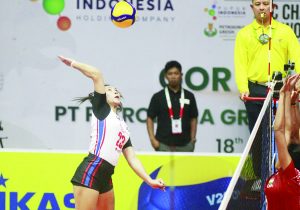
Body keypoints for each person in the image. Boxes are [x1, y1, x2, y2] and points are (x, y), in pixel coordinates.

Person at [58, 56, 165, 210]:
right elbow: (96, 74)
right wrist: (73, 64)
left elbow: (132, 159)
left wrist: (150, 180)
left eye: (116, 91)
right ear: (101, 96)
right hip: (91, 171)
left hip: (106, 177)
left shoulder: (123, 127)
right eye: (109, 90)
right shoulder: (101, 109)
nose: (114, 92)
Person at [234, 0, 300, 177]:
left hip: (282, 90)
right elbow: (240, 64)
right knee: (258, 138)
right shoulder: (244, 34)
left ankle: (285, 176)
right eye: (258, 4)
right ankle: (261, 177)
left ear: (273, 7)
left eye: (265, 3)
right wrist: (243, 88)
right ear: (252, 7)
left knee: (288, 133)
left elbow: (298, 57)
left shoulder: (285, 31)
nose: (262, 7)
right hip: (255, 90)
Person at [264, 74, 300, 210]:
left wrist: (283, 95)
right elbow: (287, 129)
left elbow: (281, 130)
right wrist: (287, 99)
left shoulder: (291, 175)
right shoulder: (279, 175)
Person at [146, 60, 198, 152]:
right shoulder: (158, 96)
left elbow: (194, 117)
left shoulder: (189, 96)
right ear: (166, 76)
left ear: (181, 75)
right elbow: (150, 118)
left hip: (185, 146)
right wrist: (152, 140)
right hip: (163, 145)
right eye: (170, 74)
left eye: (176, 73)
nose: (173, 76)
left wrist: (192, 140)